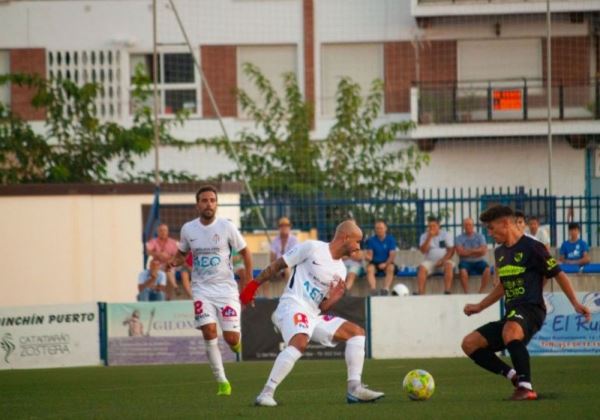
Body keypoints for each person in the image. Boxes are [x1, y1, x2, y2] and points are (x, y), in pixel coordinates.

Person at [240, 220, 384, 406]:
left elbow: (322, 307)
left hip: (313, 314)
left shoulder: (340, 269)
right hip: (291, 305)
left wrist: (334, 297)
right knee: (300, 341)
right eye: (357, 241)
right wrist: (253, 286)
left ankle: (354, 389)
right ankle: (265, 394)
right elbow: (277, 265)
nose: (358, 246)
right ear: (345, 237)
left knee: (357, 333)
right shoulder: (312, 248)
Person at [461, 205, 591, 401]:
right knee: (469, 344)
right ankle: (513, 375)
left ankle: (526, 387)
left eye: (491, 228)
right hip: (512, 314)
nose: (489, 233)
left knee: (510, 331)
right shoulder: (500, 252)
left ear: (505, 223)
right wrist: (480, 306)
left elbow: (558, 274)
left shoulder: (532, 246)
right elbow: (503, 286)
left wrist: (575, 303)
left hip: (532, 309)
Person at [167, 185, 253, 396]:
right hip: (201, 289)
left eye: (212, 200)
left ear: (216, 204)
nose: (209, 204)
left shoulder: (227, 227)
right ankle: (222, 381)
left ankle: (236, 342)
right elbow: (181, 253)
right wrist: (174, 262)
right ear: (198, 204)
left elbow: (246, 252)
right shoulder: (188, 229)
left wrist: (249, 281)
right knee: (209, 331)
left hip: (226, 290)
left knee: (231, 339)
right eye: (204, 200)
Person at [417, 217, 455, 295]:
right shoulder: (424, 236)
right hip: (430, 261)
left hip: (444, 261)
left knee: (449, 265)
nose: (431, 228)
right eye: (429, 226)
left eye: (434, 226)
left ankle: (447, 290)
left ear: (438, 226)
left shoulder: (446, 235)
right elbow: (423, 251)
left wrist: (442, 260)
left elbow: (451, 250)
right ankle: (421, 292)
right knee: (422, 267)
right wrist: (429, 237)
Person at [455, 218, 491, 293]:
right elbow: (460, 253)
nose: (468, 226)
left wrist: (468, 251)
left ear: (473, 225)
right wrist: (477, 251)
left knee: (487, 270)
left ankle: (481, 291)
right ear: (463, 226)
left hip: (479, 261)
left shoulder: (480, 236)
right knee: (462, 271)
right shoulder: (459, 238)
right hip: (465, 262)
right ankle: (466, 292)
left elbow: (483, 251)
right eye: (466, 225)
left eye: (470, 224)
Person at [146, 223, 180, 300]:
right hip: (156, 266)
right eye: (161, 230)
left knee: (168, 268)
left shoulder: (173, 242)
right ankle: (175, 287)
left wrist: (168, 259)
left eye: (165, 230)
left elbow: (176, 256)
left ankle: (169, 296)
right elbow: (148, 251)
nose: (163, 232)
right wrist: (158, 254)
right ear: (157, 232)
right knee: (165, 269)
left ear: (167, 232)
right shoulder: (153, 241)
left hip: (169, 265)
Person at [364, 220, 397, 295]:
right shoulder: (371, 240)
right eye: (377, 228)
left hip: (387, 262)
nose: (379, 230)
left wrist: (385, 264)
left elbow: (392, 255)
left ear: (385, 228)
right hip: (375, 262)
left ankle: (385, 289)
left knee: (391, 268)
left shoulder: (390, 239)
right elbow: (370, 255)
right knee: (369, 269)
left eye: (381, 228)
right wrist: (366, 257)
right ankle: (373, 289)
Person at [269, 217, 299, 281]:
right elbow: (272, 258)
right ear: (279, 227)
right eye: (281, 225)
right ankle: (265, 291)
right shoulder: (275, 240)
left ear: (290, 227)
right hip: (278, 266)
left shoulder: (294, 240)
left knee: (287, 269)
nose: (284, 227)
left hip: (290, 266)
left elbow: (293, 258)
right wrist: (276, 268)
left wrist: (282, 265)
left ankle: (288, 291)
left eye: (286, 225)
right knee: (265, 273)